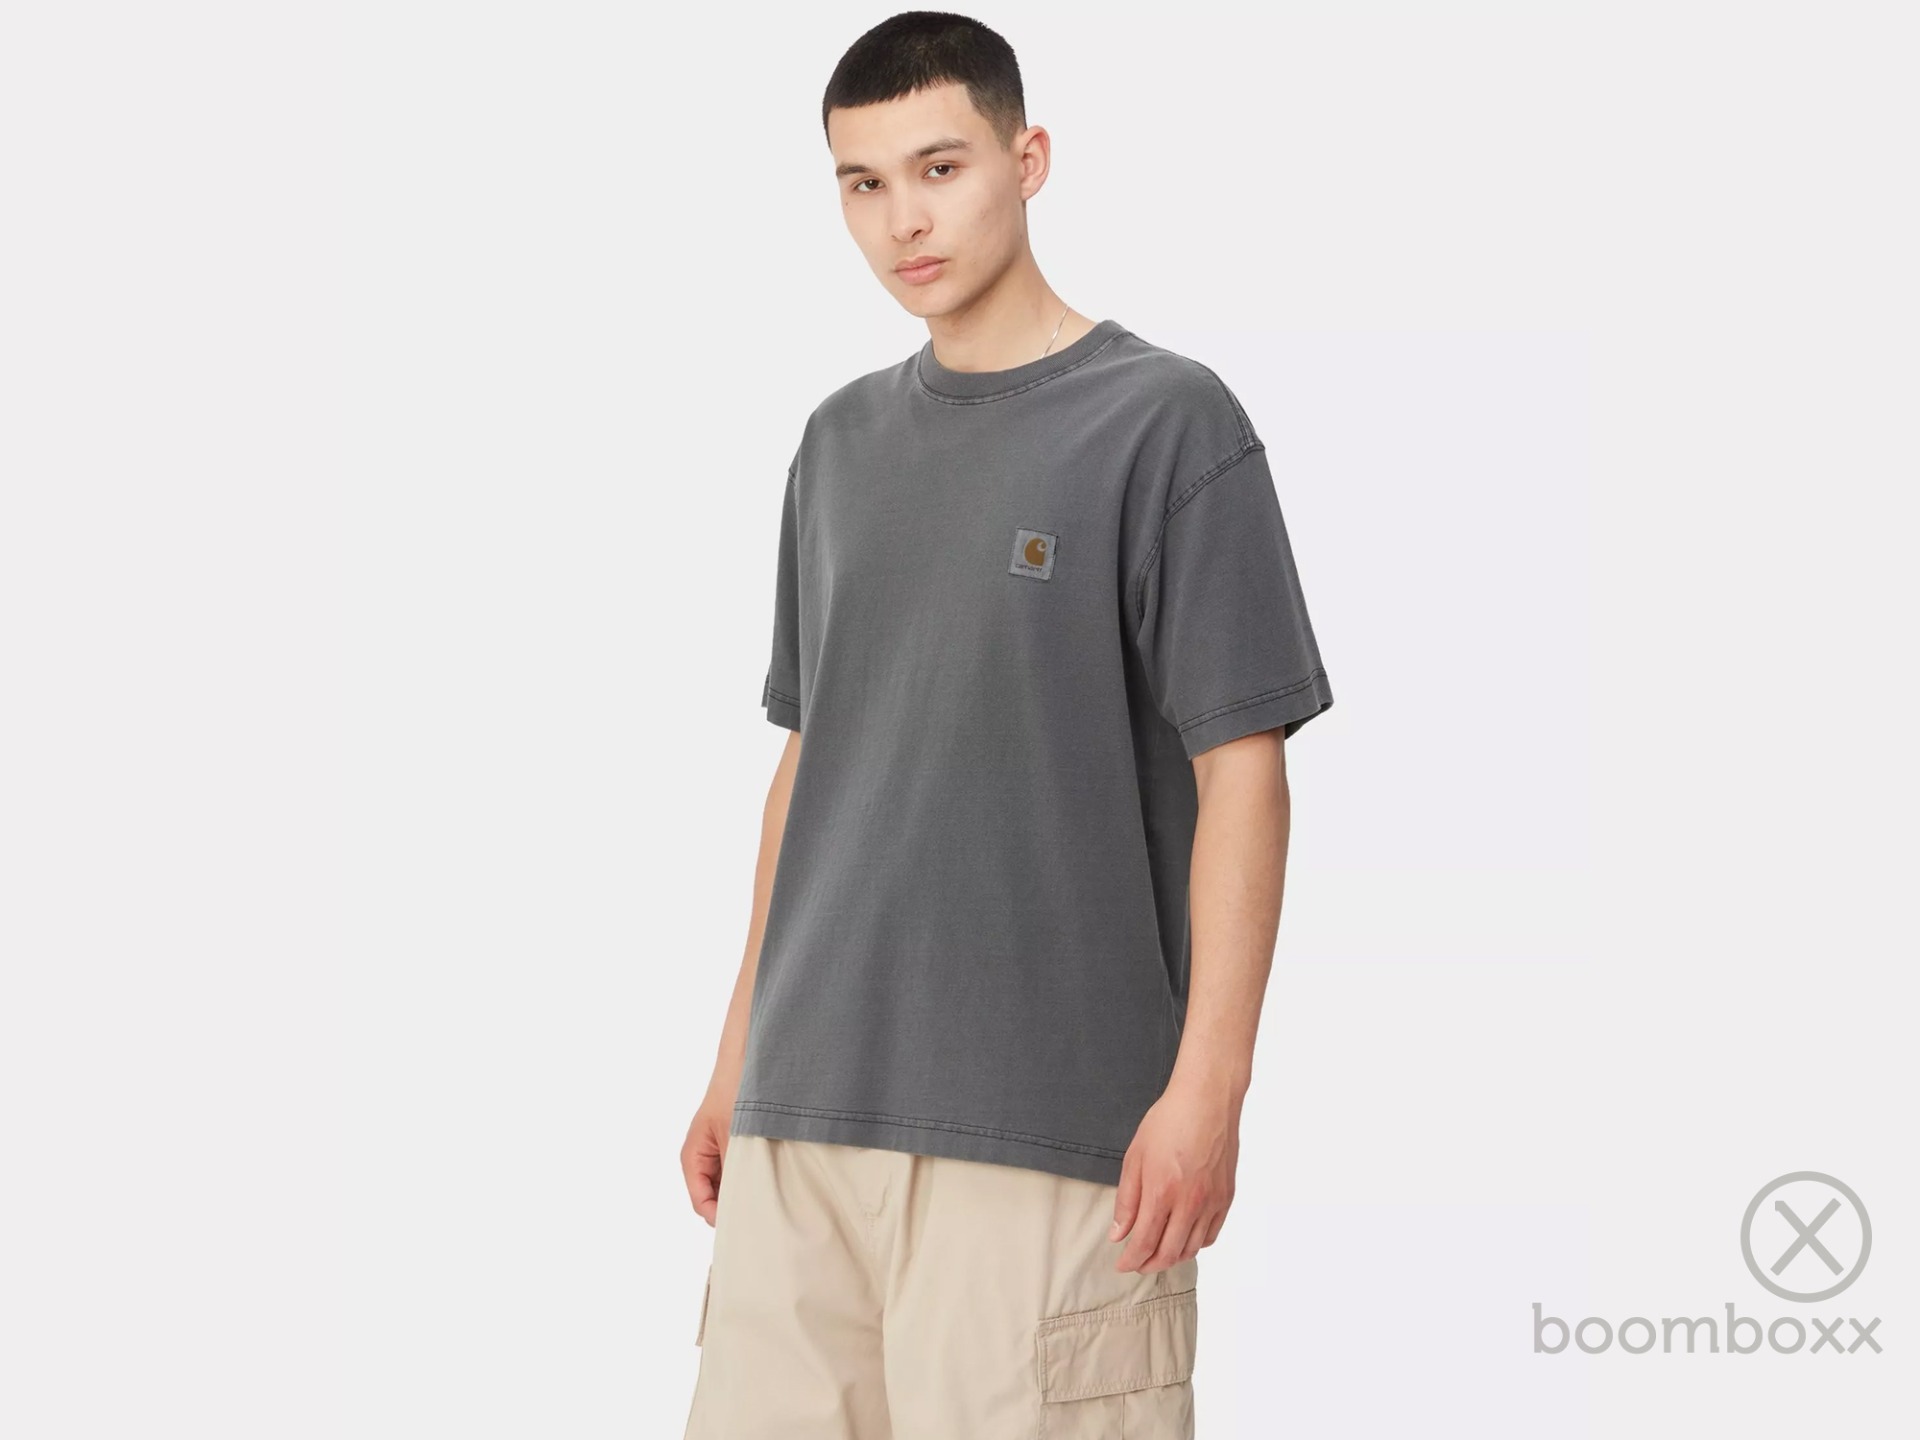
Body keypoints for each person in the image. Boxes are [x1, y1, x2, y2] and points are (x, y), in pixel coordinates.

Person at [680, 12, 1333, 1438]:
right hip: (807, 1114)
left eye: (939, 167)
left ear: (1026, 160)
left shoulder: (1166, 423)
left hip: (1046, 1127)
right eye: (863, 184)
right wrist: (740, 1058)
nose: (902, 220)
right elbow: (811, 766)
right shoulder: (837, 444)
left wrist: (1210, 1089)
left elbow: (1244, 774)